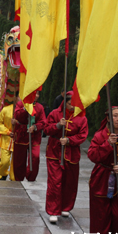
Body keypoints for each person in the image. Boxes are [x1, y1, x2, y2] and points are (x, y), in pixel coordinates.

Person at [88, 106, 118, 234]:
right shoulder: (100, 135)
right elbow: (92, 155)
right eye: (115, 116)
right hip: (102, 178)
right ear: (108, 118)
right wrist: (107, 144)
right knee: (100, 216)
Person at [44, 91, 88, 224]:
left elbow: (83, 135)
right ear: (65, 102)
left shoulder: (82, 118)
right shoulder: (54, 114)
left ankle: (66, 207)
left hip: (72, 154)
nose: (72, 106)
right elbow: (46, 130)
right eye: (69, 103)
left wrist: (69, 140)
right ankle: (53, 210)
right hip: (54, 152)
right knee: (54, 182)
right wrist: (58, 126)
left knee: (70, 182)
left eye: (74, 104)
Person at [12, 91, 47, 181]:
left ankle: (31, 177)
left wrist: (35, 127)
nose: (36, 96)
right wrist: (25, 108)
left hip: (34, 136)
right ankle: (19, 178)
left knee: (35, 157)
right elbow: (17, 116)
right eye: (35, 94)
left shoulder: (40, 107)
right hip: (21, 134)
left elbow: (43, 121)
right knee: (19, 159)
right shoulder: (20, 104)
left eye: (38, 94)